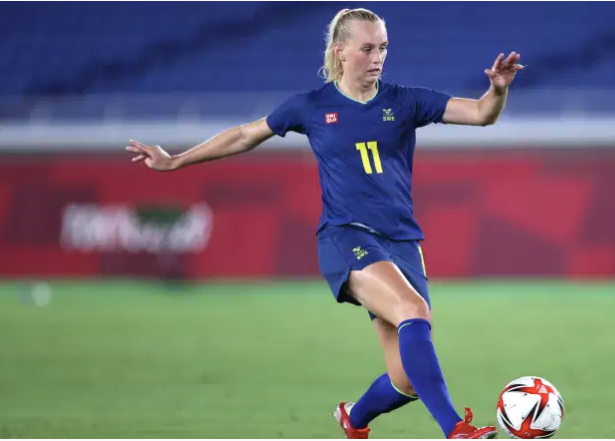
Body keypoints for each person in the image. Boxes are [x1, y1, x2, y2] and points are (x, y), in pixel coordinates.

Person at [126, 7, 523, 439]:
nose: (377, 58)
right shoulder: (311, 107)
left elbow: (482, 114)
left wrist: (497, 90)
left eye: (383, 48)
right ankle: (456, 430)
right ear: (340, 51)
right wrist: (176, 160)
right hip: (345, 237)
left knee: (407, 379)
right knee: (413, 310)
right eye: (367, 48)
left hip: (403, 243)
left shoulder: (405, 101)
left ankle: (354, 418)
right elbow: (244, 134)